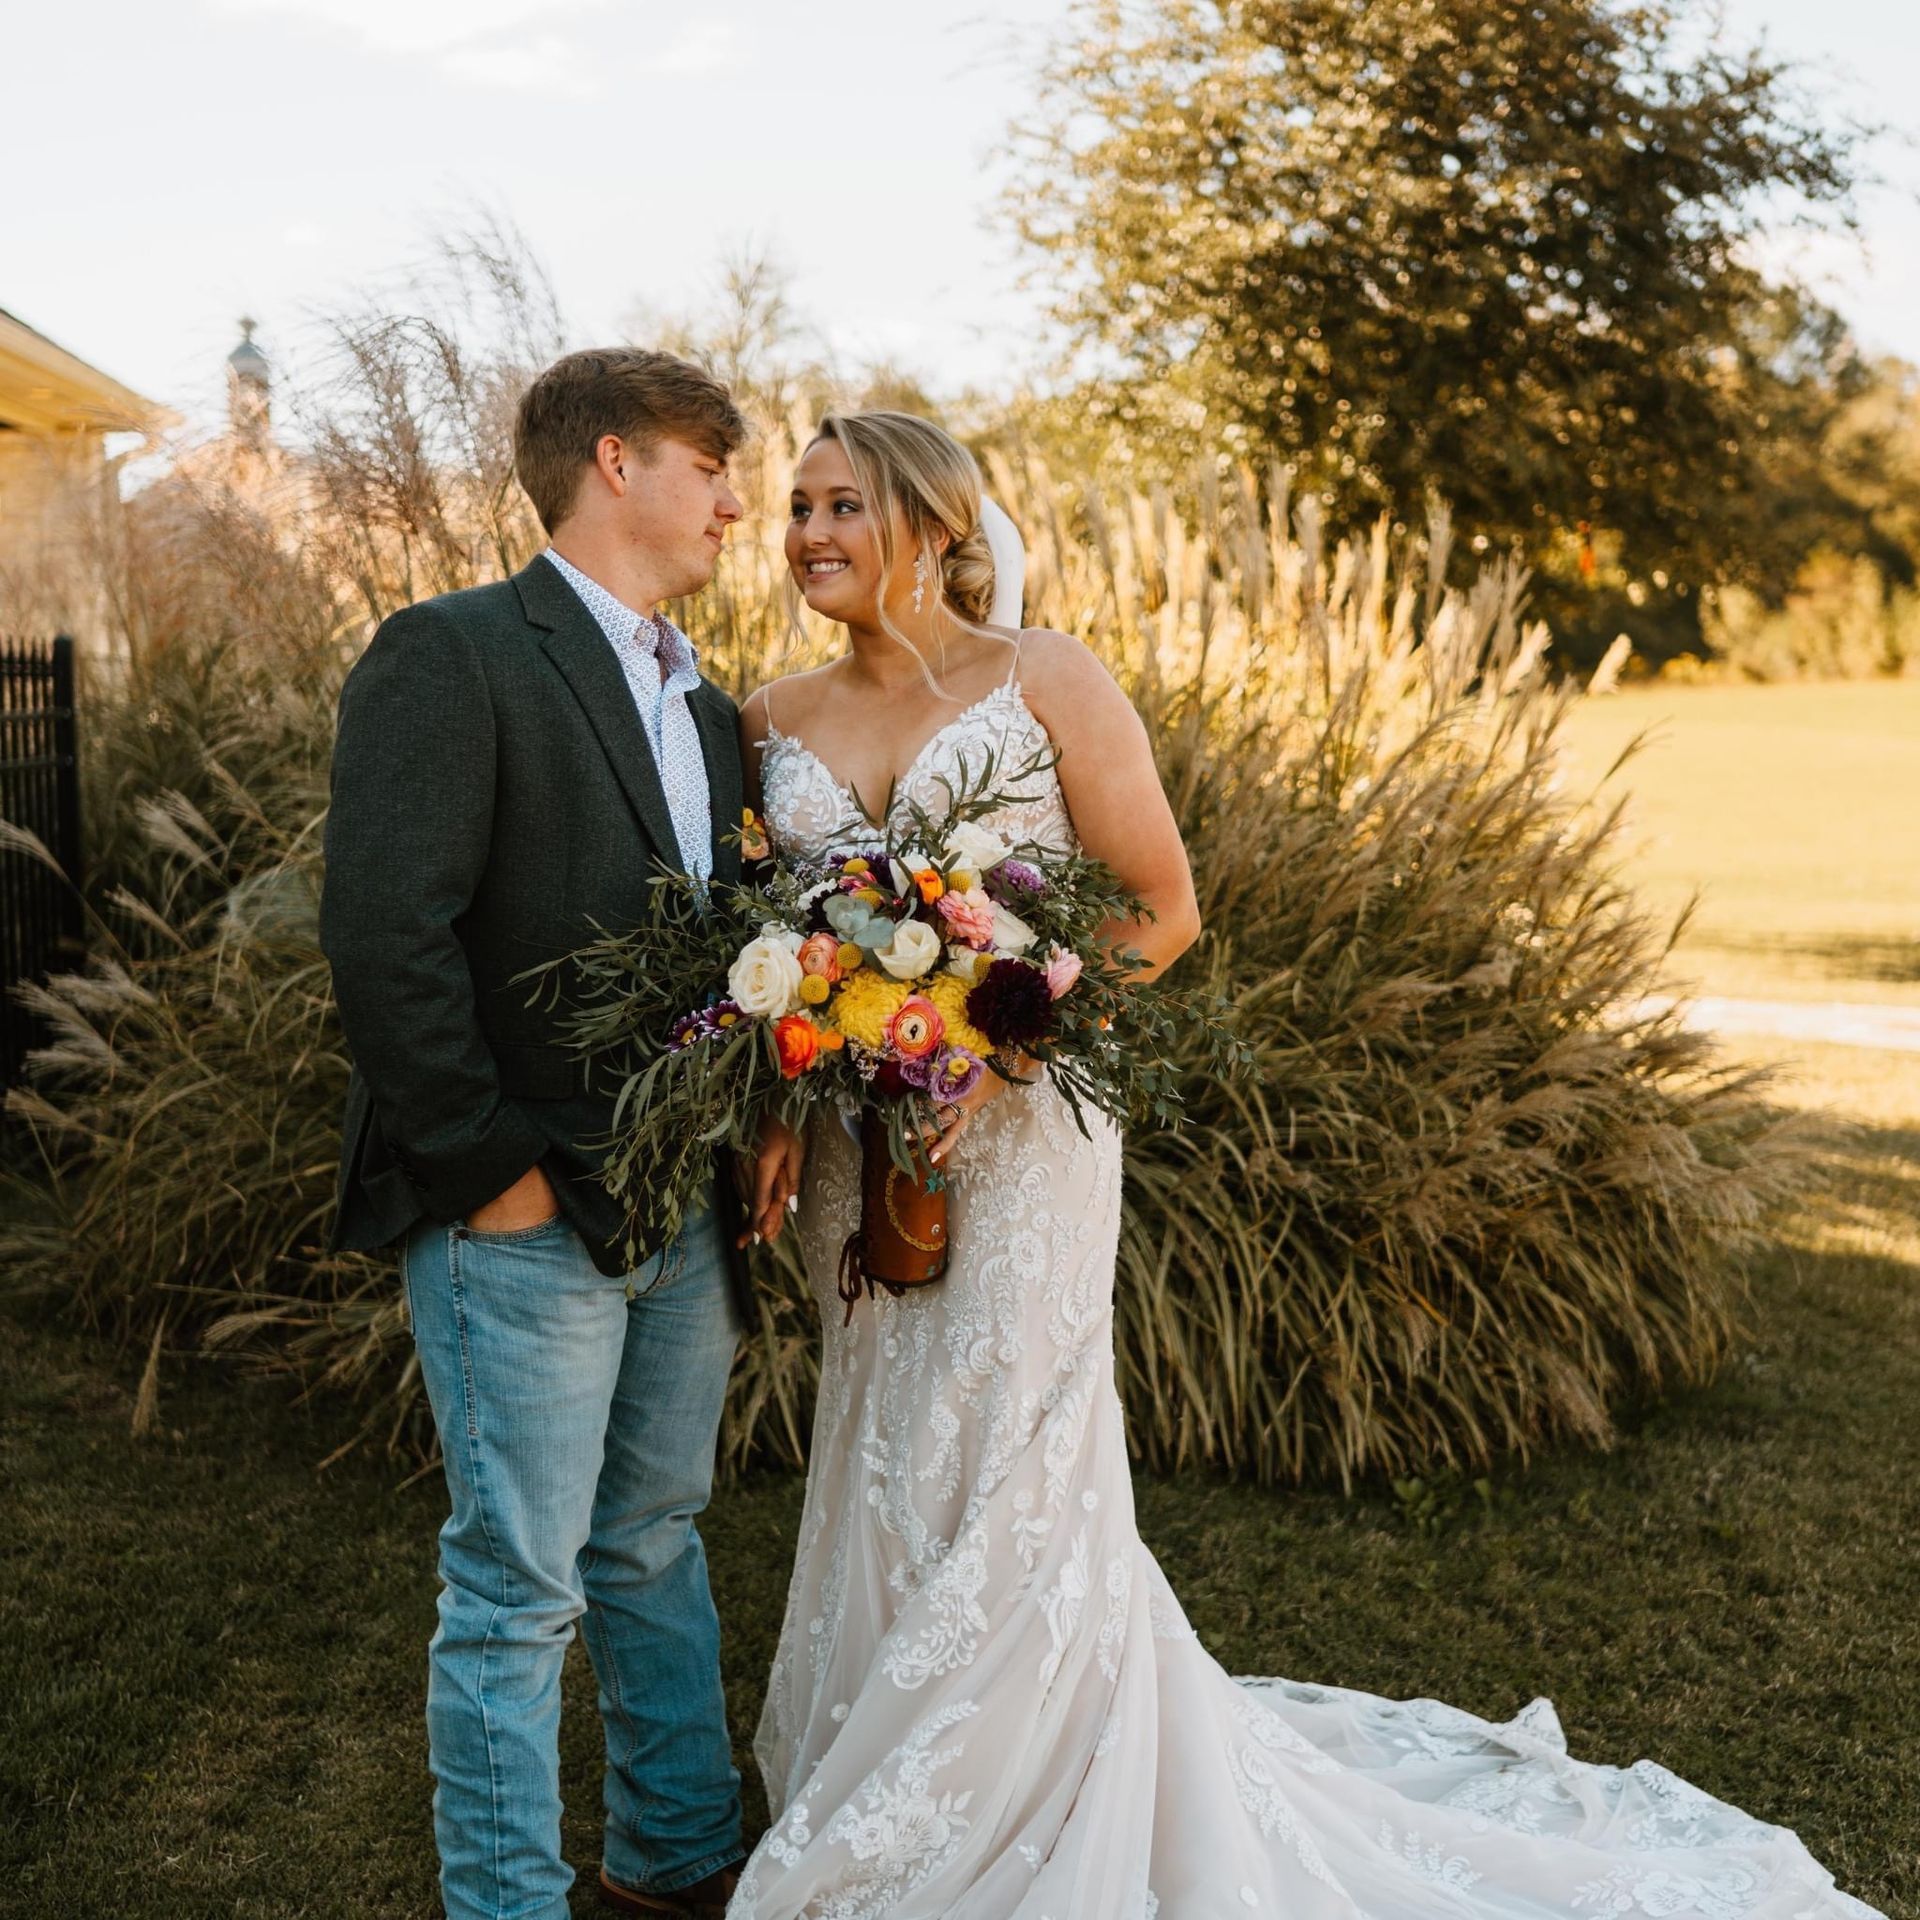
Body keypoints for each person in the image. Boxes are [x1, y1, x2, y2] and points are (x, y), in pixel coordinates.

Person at [726, 409, 1884, 1917]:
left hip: (1023, 1134)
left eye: (842, 504)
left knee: (1011, 1436)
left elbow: (1158, 904)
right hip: (852, 1146)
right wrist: (776, 1110)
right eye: (797, 507)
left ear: (937, 523)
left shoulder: (1045, 678)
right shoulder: (769, 713)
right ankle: (884, 1752)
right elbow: (773, 948)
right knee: (885, 1431)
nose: (810, 533)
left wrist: (998, 1044)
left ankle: (1012, 1785)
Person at [321, 347, 788, 1920]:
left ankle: (675, 1861)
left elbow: (731, 955)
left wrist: (755, 1127)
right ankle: (510, 1905)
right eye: (708, 464)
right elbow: (390, 935)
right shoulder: (450, 656)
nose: (738, 500)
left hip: (683, 1213)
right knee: (514, 1594)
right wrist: (492, 1174)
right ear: (613, 461)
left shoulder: (708, 708)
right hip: (522, 1215)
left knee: (654, 1541)